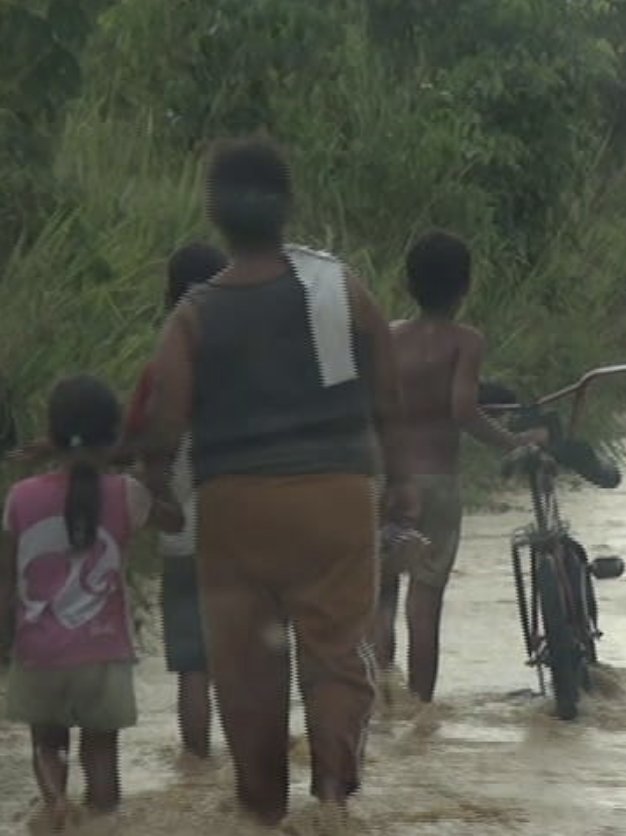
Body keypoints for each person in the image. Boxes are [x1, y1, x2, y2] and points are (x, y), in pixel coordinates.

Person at [140, 138, 415, 829]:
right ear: (286, 209)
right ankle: (328, 799)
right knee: (334, 655)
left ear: (215, 217)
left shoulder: (194, 313)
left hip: (236, 514)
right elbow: (387, 386)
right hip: (336, 500)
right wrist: (400, 480)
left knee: (247, 676)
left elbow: (164, 415)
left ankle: (263, 807)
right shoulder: (335, 286)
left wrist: (159, 487)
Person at [0, 375, 182, 830]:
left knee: (47, 744)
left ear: (52, 434)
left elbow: (6, 583)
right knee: (102, 755)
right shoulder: (125, 493)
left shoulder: (20, 497)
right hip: (103, 655)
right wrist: (132, 458)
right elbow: (175, 520)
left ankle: (56, 805)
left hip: (38, 653)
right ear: (112, 434)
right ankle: (102, 820)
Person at [374, 230, 537, 705]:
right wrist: (512, 443)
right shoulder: (465, 342)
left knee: (382, 595)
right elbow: (463, 409)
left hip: (389, 481)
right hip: (438, 485)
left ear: (408, 284)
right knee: (425, 605)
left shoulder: (387, 337)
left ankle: (383, 695)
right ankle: (420, 714)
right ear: (464, 287)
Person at [121, 243, 228, 760]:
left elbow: (139, 452)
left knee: (192, 666)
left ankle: (196, 770)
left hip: (182, 538)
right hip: (246, 536)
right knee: (251, 661)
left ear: (170, 297)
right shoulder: (248, 370)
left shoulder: (158, 374)